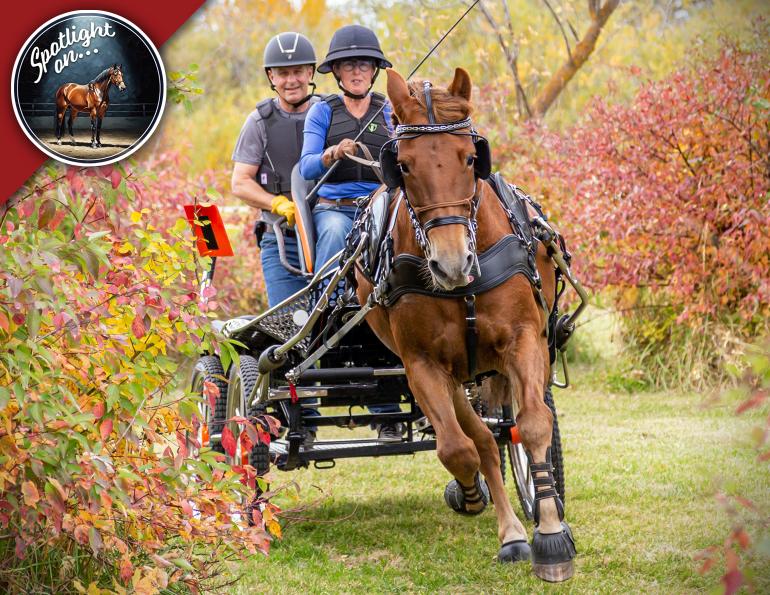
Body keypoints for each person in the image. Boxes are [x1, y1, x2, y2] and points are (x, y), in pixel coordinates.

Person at [299, 25, 404, 442]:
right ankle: (327, 305)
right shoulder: (322, 111)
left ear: (374, 70)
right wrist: (329, 152)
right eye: (348, 65)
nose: (356, 71)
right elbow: (306, 168)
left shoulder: (387, 111)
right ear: (337, 72)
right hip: (336, 207)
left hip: (381, 202)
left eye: (363, 64)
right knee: (334, 234)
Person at [231, 31, 320, 444]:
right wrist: (278, 203)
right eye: (283, 73)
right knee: (288, 325)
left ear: (311, 72)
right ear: (271, 76)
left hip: (334, 227)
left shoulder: (330, 112)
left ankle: (386, 408)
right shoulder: (259, 121)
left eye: (298, 71)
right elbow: (240, 183)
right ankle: (301, 417)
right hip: (281, 235)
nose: (292, 80)